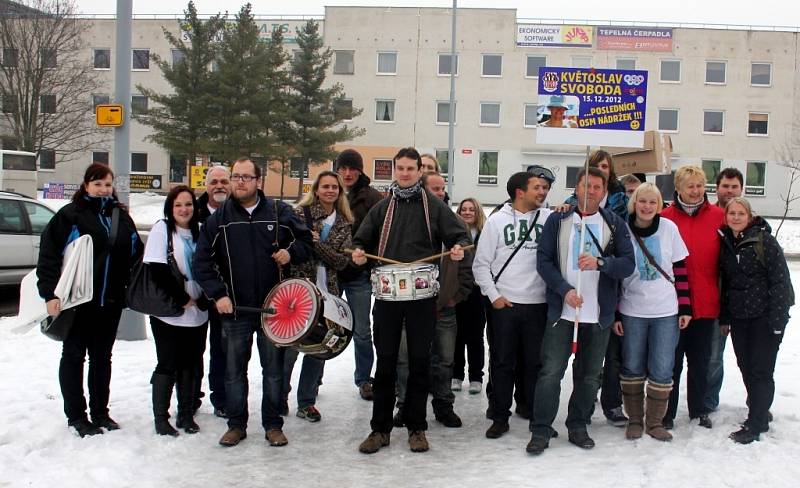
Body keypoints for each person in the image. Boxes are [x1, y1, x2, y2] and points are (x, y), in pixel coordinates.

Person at [351, 147, 470, 454]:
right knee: (386, 362)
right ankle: (379, 430)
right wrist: (359, 250)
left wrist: (457, 246)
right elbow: (361, 238)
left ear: (420, 171)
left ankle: (417, 427)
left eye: (410, 168)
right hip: (388, 296)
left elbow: (460, 234)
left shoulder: (432, 204)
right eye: (400, 168)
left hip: (421, 295)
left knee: (419, 362)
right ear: (395, 170)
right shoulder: (383, 205)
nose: (404, 173)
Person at [194, 157, 313, 448]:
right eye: (236, 177)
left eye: (246, 177)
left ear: (258, 181)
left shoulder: (278, 212)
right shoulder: (220, 218)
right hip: (235, 311)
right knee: (234, 373)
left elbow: (306, 243)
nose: (240, 182)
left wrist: (290, 253)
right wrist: (219, 295)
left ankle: (273, 425)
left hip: (273, 311)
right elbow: (201, 263)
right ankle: (236, 425)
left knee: (273, 373)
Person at [528, 167, 635, 455]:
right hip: (562, 313)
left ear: (604, 192)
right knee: (550, 372)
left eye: (597, 187)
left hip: (597, 316)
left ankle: (577, 425)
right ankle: (540, 429)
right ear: (576, 188)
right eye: (586, 185)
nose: (591, 191)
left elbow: (627, 264)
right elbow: (544, 262)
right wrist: (564, 290)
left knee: (589, 376)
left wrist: (602, 264)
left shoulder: (614, 224)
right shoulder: (558, 220)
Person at [37, 163, 142, 437]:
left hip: (110, 301)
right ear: (86, 186)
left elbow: (135, 254)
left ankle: (100, 412)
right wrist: (49, 294)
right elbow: (49, 256)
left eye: (108, 185)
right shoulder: (70, 216)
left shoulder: (121, 217)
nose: (103, 189)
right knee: (73, 356)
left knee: (101, 358)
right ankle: (76, 416)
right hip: (77, 303)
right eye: (97, 184)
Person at [473, 170, 553, 443]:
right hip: (505, 304)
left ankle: (531, 409)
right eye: (537, 187)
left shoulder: (550, 218)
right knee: (502, 362)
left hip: (538, 304)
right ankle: (499, 415)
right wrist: (494, 297)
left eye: (545, 188)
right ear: (520, 191)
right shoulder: (496, 222)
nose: (543, 192)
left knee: (535, 363)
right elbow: (481, 264)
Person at [613, 183, 692, 441]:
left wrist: (685, 307)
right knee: (633, 365)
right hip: (632, 309)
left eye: (652, 202)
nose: (647, 206)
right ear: (634, 203)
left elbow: (679, 269)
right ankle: (635, 419)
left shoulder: (669, 229)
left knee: (662, 367)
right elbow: (614, 276)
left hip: (665, 311)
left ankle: (655, 422)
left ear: (659, 205)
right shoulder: (622, 229)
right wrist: (615, 314)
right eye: (642, 201)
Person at [394, 172, 472, 429]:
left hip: (444, 306)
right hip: (411, 305)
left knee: (444, 360)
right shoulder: (410, 222)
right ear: (422, 190)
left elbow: (466, 266)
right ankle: (404, 406)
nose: (440, 193)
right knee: (406, 360)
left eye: (442, 188)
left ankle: (443, 405)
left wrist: (455, 295)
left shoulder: (453, 223)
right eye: (434, 188)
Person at [561, 150, 629, 426]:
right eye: (595, 166)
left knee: (608, 357)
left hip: (609, 282)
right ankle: (580, 408)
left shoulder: (620, 203)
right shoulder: (569, 204)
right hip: (577, 291)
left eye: (605, 167)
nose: (600, 170)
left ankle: (606, 404)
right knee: (574, 362)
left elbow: (625, 246)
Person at [719, 197, 794, 444]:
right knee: (746, 367)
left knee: (761, 370)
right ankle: (760, 410)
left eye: (741, 213)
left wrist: (778, 321)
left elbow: (782, 282)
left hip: (764, 319)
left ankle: (756, 422)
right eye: (732, 213)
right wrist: (726, 317)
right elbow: (727, 285)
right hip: (741, 319)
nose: (736, 218)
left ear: (749, 217)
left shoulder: (765, 242)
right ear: (726, 216)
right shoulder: (728, 243)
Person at [283, 171, 353, 422]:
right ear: (316, 189)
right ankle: (280, 396)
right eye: (325, 186)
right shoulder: (299, 214)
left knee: (318, 346)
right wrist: (314, 246)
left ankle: (307, 401)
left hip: (329, 291)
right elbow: (292, 248)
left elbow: (341, 261)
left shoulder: (345, 221)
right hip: (301, 289)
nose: (330, 191)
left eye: (334, 187)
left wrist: (317, 245)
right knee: (291, 346)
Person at [661, 165, 725, 430]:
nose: (696, 191)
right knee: (671, 362)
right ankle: (667, 411)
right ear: (678, 189)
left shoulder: (719, 216)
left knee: (700, 361)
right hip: (672, 303)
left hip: (707, 301)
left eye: (700, 185)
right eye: (690, 186)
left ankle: (699, 409)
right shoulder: (664, 217)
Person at [144, 186, 209, 436]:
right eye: (178, 205)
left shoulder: (200, 231)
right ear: (170, 208)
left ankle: (185, 413)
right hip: (170, 310)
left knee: (191, 363)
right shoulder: (163, 229)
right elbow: (157, 269)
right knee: (168, 363)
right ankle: (161, 417)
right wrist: (182, 298)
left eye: (189, 204)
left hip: (197, 311)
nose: (184, 209)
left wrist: (203, 299)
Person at [336, 149, 384, 401]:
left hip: (358, 276)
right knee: (325, 327)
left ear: (360, 170)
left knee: (362, 331)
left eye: (351, 168)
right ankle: (314, 377)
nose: (347, 173)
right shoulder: (329, 191)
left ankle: (364, 379)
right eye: (342, 168)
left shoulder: (372, 197)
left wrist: (367, 258)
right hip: (331, 273)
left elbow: (381, 234)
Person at [704, 167, 744, 413]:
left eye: (734, 187)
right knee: (708, 355)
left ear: (741, 189)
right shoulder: (710, 216)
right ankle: (704, 399)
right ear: (716, 188)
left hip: (738, 299)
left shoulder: (747, 219)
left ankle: (756, 402)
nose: (729, 191)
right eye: (725, 186)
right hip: (709, 295)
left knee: (740, 357)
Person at [196, 165, 232, 418]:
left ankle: (221, 399)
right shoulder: (191, 212)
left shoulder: (237, 213)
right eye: (214, 181)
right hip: (194, 296)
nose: (219, 186)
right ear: (206, 185)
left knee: (222, 349)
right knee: (192, 351)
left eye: (224, 181)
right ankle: (190, 397)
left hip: (226, 295)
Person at [453, 197, 487, 394]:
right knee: (456, 335)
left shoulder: (484, 233)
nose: (466, 212)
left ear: (477, 212)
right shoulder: (453, 235)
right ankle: (456, 375)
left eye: (471, 209)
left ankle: (476, 377)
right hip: (457, 289)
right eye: (463, 209)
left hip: (477, 290)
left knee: (475, 335)